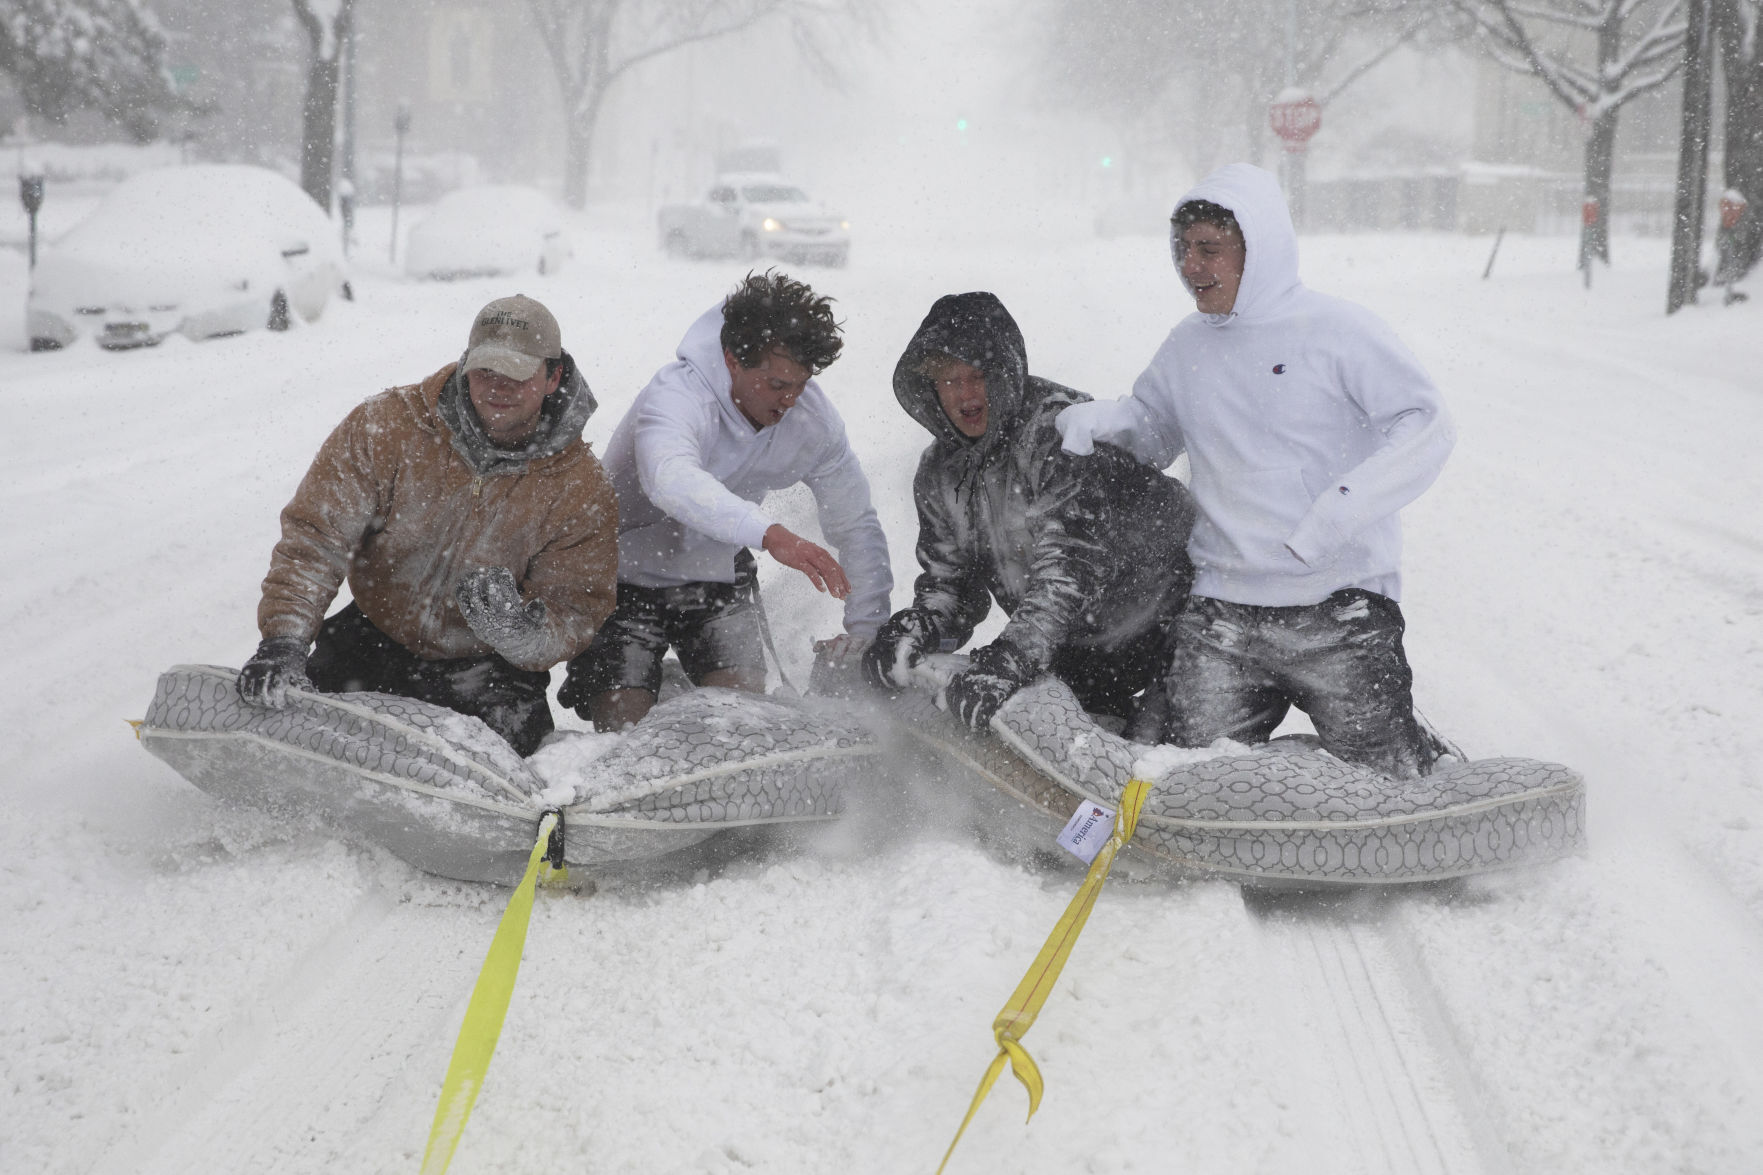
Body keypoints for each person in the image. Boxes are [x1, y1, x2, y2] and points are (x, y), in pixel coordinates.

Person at [1057, 163, 1455, 778]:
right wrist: (1101, 422)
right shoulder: (1187, 345)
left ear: (1260, 250)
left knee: (1389, 785)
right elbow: (1155, 430)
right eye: (1183, 250)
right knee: (1194, 784)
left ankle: (1409, 745)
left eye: (1210, 250)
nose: (1191, 267)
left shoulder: (1337, 331)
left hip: (1339, 607)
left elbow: (1427, 424)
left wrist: (1336, 513)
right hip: (1223, 616)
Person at [238, 294, 619, 756]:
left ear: (553, 376)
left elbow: (577, 609)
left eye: (516, 375)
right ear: (464, 365)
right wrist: (285, 639)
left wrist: (521, 634)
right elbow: (316, 538)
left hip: (490, 670)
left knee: (506, 779)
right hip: (373, 640)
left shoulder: (581, 486)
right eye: (485, 372)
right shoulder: (386, 426)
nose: (498, 387)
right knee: (287, 742)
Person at [559, 270, 892, 731]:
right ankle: (659, 692)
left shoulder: (812, 421)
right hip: (622, 579)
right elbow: (669, 478)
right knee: (625, 737)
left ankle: (684, 694)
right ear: (733, 360)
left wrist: (865, 631)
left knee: (741, 729)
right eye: (777, 385)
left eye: (801, 383)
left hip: (716, 578)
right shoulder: (676, 396)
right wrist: (769, 533)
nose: (791, 400)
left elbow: (857, 523)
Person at [861, 292, 1195, 737]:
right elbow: (953, 587)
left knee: (1162, 764)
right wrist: (916, 630)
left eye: (977, 376)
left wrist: (1013, 657)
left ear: (1005, 374)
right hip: (1078, 655)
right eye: (949, 380)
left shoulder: (1058, 432)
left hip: (1172, 629)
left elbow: (1070, 569)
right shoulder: (939, 472)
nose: (965, 394)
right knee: (1053, 762)